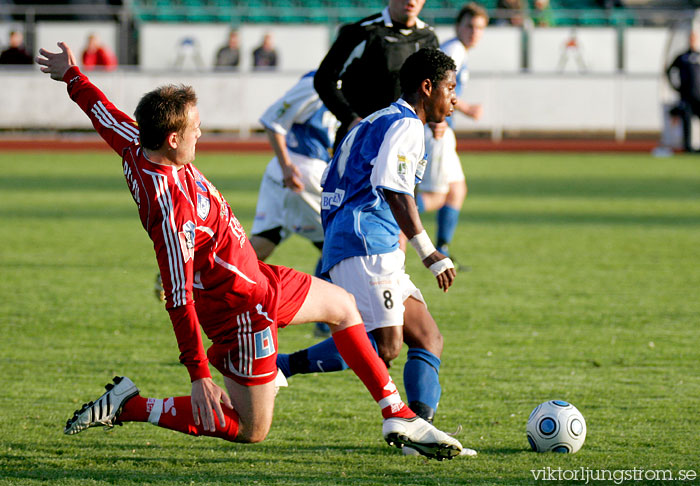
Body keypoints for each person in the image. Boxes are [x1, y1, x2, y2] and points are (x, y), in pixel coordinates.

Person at [37, 41, 462, 460]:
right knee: (250, 429)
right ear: (171, 139)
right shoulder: (172, 212)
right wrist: (199, 374)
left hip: (259, 277)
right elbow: (179, 298)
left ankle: (397, 414)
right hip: (239, 307)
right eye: (194, 128)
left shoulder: (137, 144)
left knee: (345, 306)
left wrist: (72, 76)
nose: (199, 133)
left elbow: (102, 112)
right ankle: (131, 406)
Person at [277, 48, 476, 457]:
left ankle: (420, 430)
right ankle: (280, 366)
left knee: (427, 336)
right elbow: (394, 188)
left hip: (366, 241)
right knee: (384, 346)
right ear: (427, 87)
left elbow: (338, 181)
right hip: (367, 243)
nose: (454, 98)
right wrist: (429, 251)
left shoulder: (376, 118)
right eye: (449, 88)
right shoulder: (405, 126)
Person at [251, 71, 338, 337]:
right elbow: (272, 119)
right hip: (301, 172)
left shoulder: (350, 82)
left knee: (263, 244)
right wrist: (287, 165)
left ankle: (194, 281)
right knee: (337, 245)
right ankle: (326, 321)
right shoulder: (317, 82)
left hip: (293, 173)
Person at [314, 0, 439, 149]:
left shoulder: (428, 37)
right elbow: (324, 79)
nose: (411, 1)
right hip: (361, 143)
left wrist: (435, 116)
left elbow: (433, 87)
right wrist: (351, 119)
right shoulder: (363, 32)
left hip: (405, 142)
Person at [418, 3, 488, 261]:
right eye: (470, 25)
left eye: (479, 27)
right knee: (437, 196)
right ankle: (391, 218)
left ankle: (443, 250)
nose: (474, 32)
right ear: (459, 25)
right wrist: (466, 109)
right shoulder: (454, 49)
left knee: (457, 189)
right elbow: (438, 85)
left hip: (444, 127)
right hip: (438, 128)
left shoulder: (458, 50)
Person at [666, 31, 700, 153]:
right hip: (686, 95)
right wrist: (676, 87)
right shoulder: (682, 57)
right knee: (686, 121)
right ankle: (688, 147)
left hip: (699, 95)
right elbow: (669, 71)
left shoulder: (698, 55)